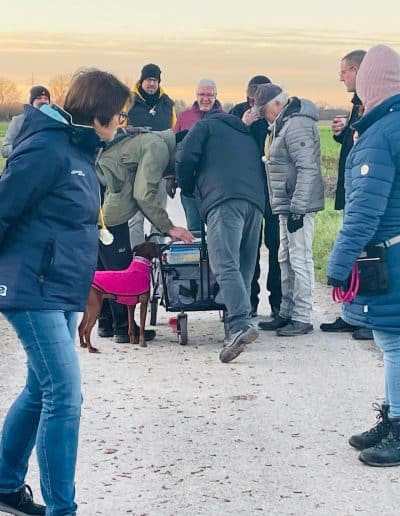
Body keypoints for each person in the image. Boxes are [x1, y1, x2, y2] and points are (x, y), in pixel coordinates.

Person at [0, 69, 132, 515]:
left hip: (61, 288)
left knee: (41, 390)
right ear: (97, 115)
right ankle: (63, 509)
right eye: (118, 116)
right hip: (31, 289)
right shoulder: (47, 148)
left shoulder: (79, 150)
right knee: (65, 393)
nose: (121, 124)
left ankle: (4, 486)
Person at [327, 44, 400, 467]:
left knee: (394, 343)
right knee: (391, 340)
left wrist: (339, 264)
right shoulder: (388, 126)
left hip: (391, 251)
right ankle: (391, 418)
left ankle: (399, 428)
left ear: (371, 83)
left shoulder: (383, 133)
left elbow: (364, 210)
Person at [176, 112, 266, 363]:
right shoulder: (245, 133)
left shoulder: (204, 126)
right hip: (255, 203)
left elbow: (185, 158)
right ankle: (235, 327)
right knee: (244, 266)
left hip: (223, 200)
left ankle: (239, 326)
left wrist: (186, 186)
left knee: (224, 264)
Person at [96, 128, 194, 342]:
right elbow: (143, 194)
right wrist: (169, 228)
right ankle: (125, 329)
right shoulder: (157, 147)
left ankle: (106, 323)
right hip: (112, 216)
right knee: (120, 269)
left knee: (103, 268)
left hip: (102, 210)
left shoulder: (151, 141)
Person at [255, 84, 324, 336]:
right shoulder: (282, 124)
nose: (263, 117)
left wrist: (298, 209)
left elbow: (307, 168)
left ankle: (302, 316)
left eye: (264, 111)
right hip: (286, 205)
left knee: (300, 259)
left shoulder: (297, 125)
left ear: (276, 104)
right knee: (285, 258)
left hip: (299, 207)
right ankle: (287, 311)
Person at [319, 50, 373, 341]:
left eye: (345, 71)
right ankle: (352, 313)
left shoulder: (372, 103)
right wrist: (342, 134)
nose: (341, 77)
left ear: (358, 71)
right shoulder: (357, 104)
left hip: (365, 191)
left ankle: (368, 316)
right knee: (354, 254)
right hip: (351, 189)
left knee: (367, 255)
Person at [230, 75, 282, 320]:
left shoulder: (277, 116)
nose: (256, 106)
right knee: (248, 249)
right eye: (253, 101)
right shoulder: (237, 114)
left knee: (276, 247)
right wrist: (244, 124)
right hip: (248, 190)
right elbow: (228, 145)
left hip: (273, 191)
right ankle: (249, 301)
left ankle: (277, 302)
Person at [127, 63, 176, 248]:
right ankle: (137, 256)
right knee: (135, 219)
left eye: (155, 80)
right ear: (142, 81)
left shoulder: (168, 104)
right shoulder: (128, 102)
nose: (151, 84)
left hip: (161, 171)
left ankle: (157, 257)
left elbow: (172, 138)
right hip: (136, 170)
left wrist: (171, 172)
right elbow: (119, 133)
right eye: (148, 80)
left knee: (159, 217)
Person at [168, 78, 223, 232]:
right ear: (196, 95)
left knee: (217, 229)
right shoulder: (184, 117)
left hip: (216, 185)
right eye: (202, 94)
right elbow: (174, 147)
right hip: (190, 184)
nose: (205, 99)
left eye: (209, 95)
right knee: (194, 229)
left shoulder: (224, 118)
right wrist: (171, 177)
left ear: (216, 95)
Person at [1, 85, 50, 158]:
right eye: (38, 98)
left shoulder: (55, 122)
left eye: (46, 98)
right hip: (24, 163)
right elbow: (4, 151)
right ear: (31, 102)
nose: (43, 101)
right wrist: (25, 145)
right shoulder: (18, 121)